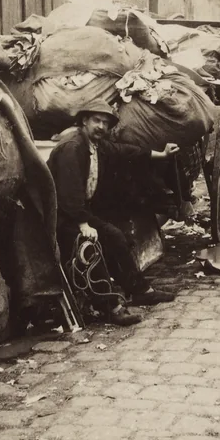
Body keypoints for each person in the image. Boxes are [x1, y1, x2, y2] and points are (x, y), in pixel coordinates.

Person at [48, 101, 178, 325]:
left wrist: (162, 154)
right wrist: (83, 224)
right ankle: (110, 307)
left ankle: (140, 291)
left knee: (117, 237)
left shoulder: (96, 145)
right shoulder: (73, 147)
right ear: (84, 121)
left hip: (77, 211)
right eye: (96, 121)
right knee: (91, 245)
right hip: (58, 217)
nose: (101, 127)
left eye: (105, 123)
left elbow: (125, 151)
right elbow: (69, 195)